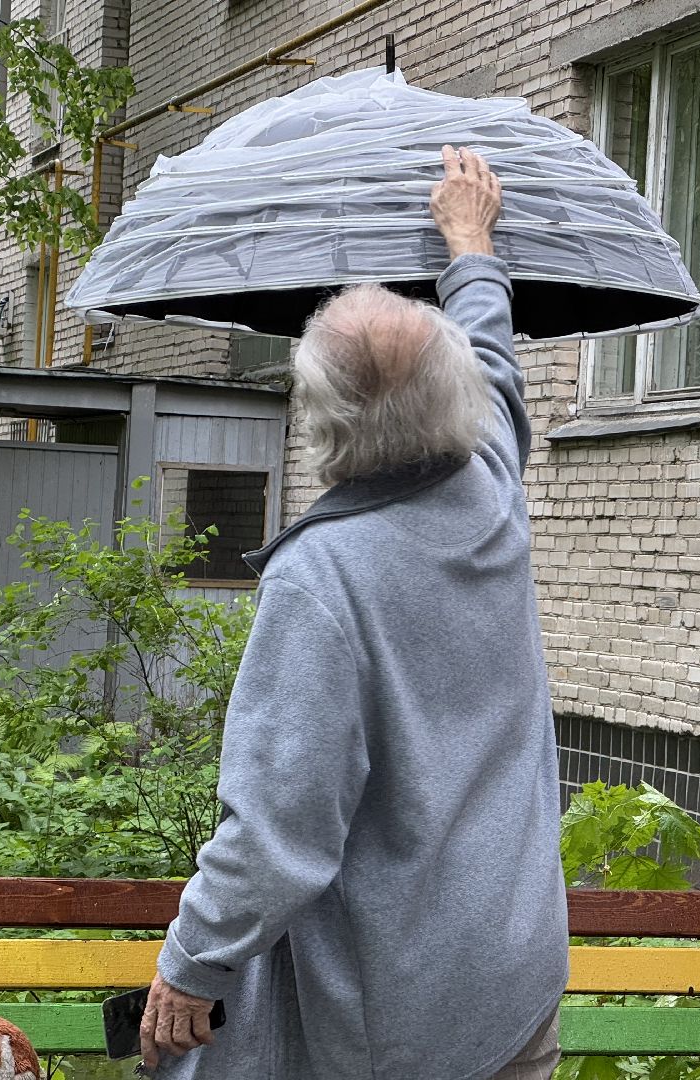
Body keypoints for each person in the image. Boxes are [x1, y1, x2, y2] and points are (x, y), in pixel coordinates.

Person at [138, 145, 569, 1080]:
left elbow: (275, 834)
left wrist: (191, 967)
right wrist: (470, 246)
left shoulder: (319, 580)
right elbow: (493, 362)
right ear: (455, 397)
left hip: (397, 1023)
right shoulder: (490, 494)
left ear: (322, 425)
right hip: (515, 983)